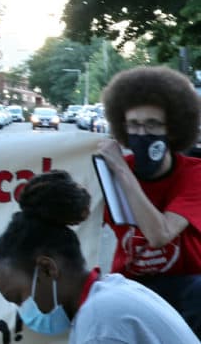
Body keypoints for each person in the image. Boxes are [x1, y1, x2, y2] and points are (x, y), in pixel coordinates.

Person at [0, 170, 198, 343]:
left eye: (19, 298)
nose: (22, 311)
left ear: (47, 269)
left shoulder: (101, 325)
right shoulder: (110, 292)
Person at [97, 66, 201, 335]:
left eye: (152, 124)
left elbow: (160, 234)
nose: (141, 133)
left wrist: (122, 171)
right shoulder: (108, 170)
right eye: (133, 125)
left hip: (186, 288)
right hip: (132, 286)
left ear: (174, 129)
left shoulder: (194, 173)